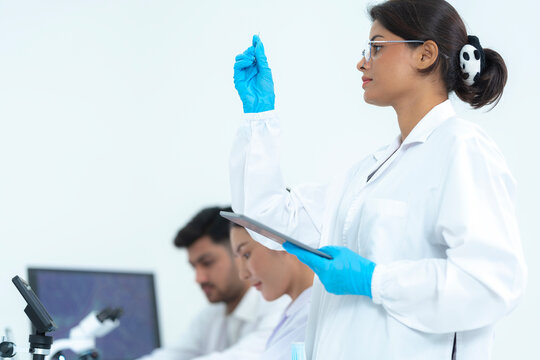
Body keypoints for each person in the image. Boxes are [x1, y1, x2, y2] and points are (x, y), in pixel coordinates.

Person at [230, 1, 527, 359]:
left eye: (377, 47)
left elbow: (490, 284)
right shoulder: (368, 173)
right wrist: (259, 119)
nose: (362, 62)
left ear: (425, 54)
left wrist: (375, 280)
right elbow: (268, 218)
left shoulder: (462, 149)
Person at [138, 206, 288, 360]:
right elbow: (171, 356)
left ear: (238, 253)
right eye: (194, 267)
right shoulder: (211, 318)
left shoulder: (279, 306)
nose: (199, 278)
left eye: (207, 263)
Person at [229, 222, 313, 360]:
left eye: (246, 254)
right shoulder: (296, 313)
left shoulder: (309, 317)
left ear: (280, 241)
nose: (242, 275)